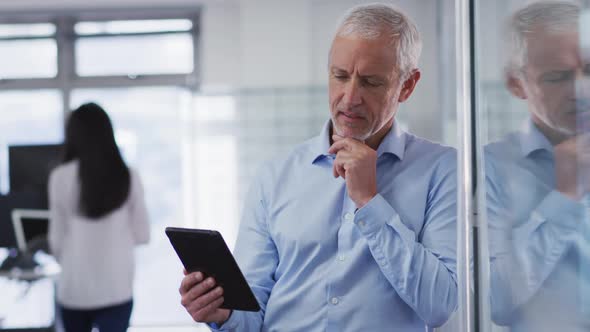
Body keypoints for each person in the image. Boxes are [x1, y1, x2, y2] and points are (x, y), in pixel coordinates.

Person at [179, 4, 457, 331]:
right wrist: (221, 313)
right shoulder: (275, 176)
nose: (350, 97)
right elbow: (251, 313)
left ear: (407, 86)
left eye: (370, 82)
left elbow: (440, 305)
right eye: (340, 76)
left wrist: (370, 202)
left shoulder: (442, 170)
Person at [486, 1, 590, 331]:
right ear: (516, 84)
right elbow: (494, 301)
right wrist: (565, 196)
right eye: (557, 77)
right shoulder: (488, 168)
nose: (582, 92)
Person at [48, 103, 151, 332]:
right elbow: (143, 234)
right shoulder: (128, 175)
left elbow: (56, 240)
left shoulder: (60, 177)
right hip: (117, 289)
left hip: (74, 289)